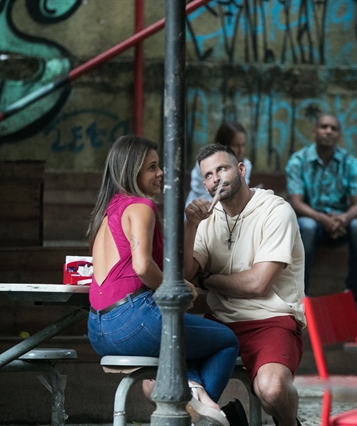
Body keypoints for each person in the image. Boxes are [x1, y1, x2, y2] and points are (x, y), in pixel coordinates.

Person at [86, 135, 239, 426]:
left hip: (98, 330)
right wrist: (178, 288)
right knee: (226, 340)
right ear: (131, 172)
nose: (161, 173)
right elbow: (143, 266)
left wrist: (191, 225)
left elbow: (160, 270)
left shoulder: (107, 211)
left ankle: (196, 395)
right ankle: (202, 408)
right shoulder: (142, 207)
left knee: (189, 341)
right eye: (152, 168)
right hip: (134, 321)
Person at [184, 144, 306, 426]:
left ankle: (289, 424)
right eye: (209, 175)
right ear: (204, 183)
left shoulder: (276, 211)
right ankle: (228, 417)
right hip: (220, 322)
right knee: (158, 378)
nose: (216, 178)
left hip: (271, 319)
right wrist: (190, 225)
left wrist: (206, 280)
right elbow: (185, 274)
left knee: (272, 390)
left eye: (222, 169)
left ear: (241, 169)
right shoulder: (206, 219)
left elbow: (257, 284)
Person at [285, 114, 357, 312]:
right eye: (323, 127)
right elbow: (296, 203)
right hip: (312, 225)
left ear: (339, 134)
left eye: (333, 128)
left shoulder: (349, 162)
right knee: (308, 226)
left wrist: (344, 219)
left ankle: (354, 296)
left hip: (340, 225)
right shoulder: (298, 161)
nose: (328, 131)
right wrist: (322, 219)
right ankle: (300, 299)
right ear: (315, 132)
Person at [185, 122, 252, 207]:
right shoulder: (204, 164)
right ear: (225, 145)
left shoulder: (245, 164)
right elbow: (201, 193)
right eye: (236, 145)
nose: (240, 150)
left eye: (243, 145)